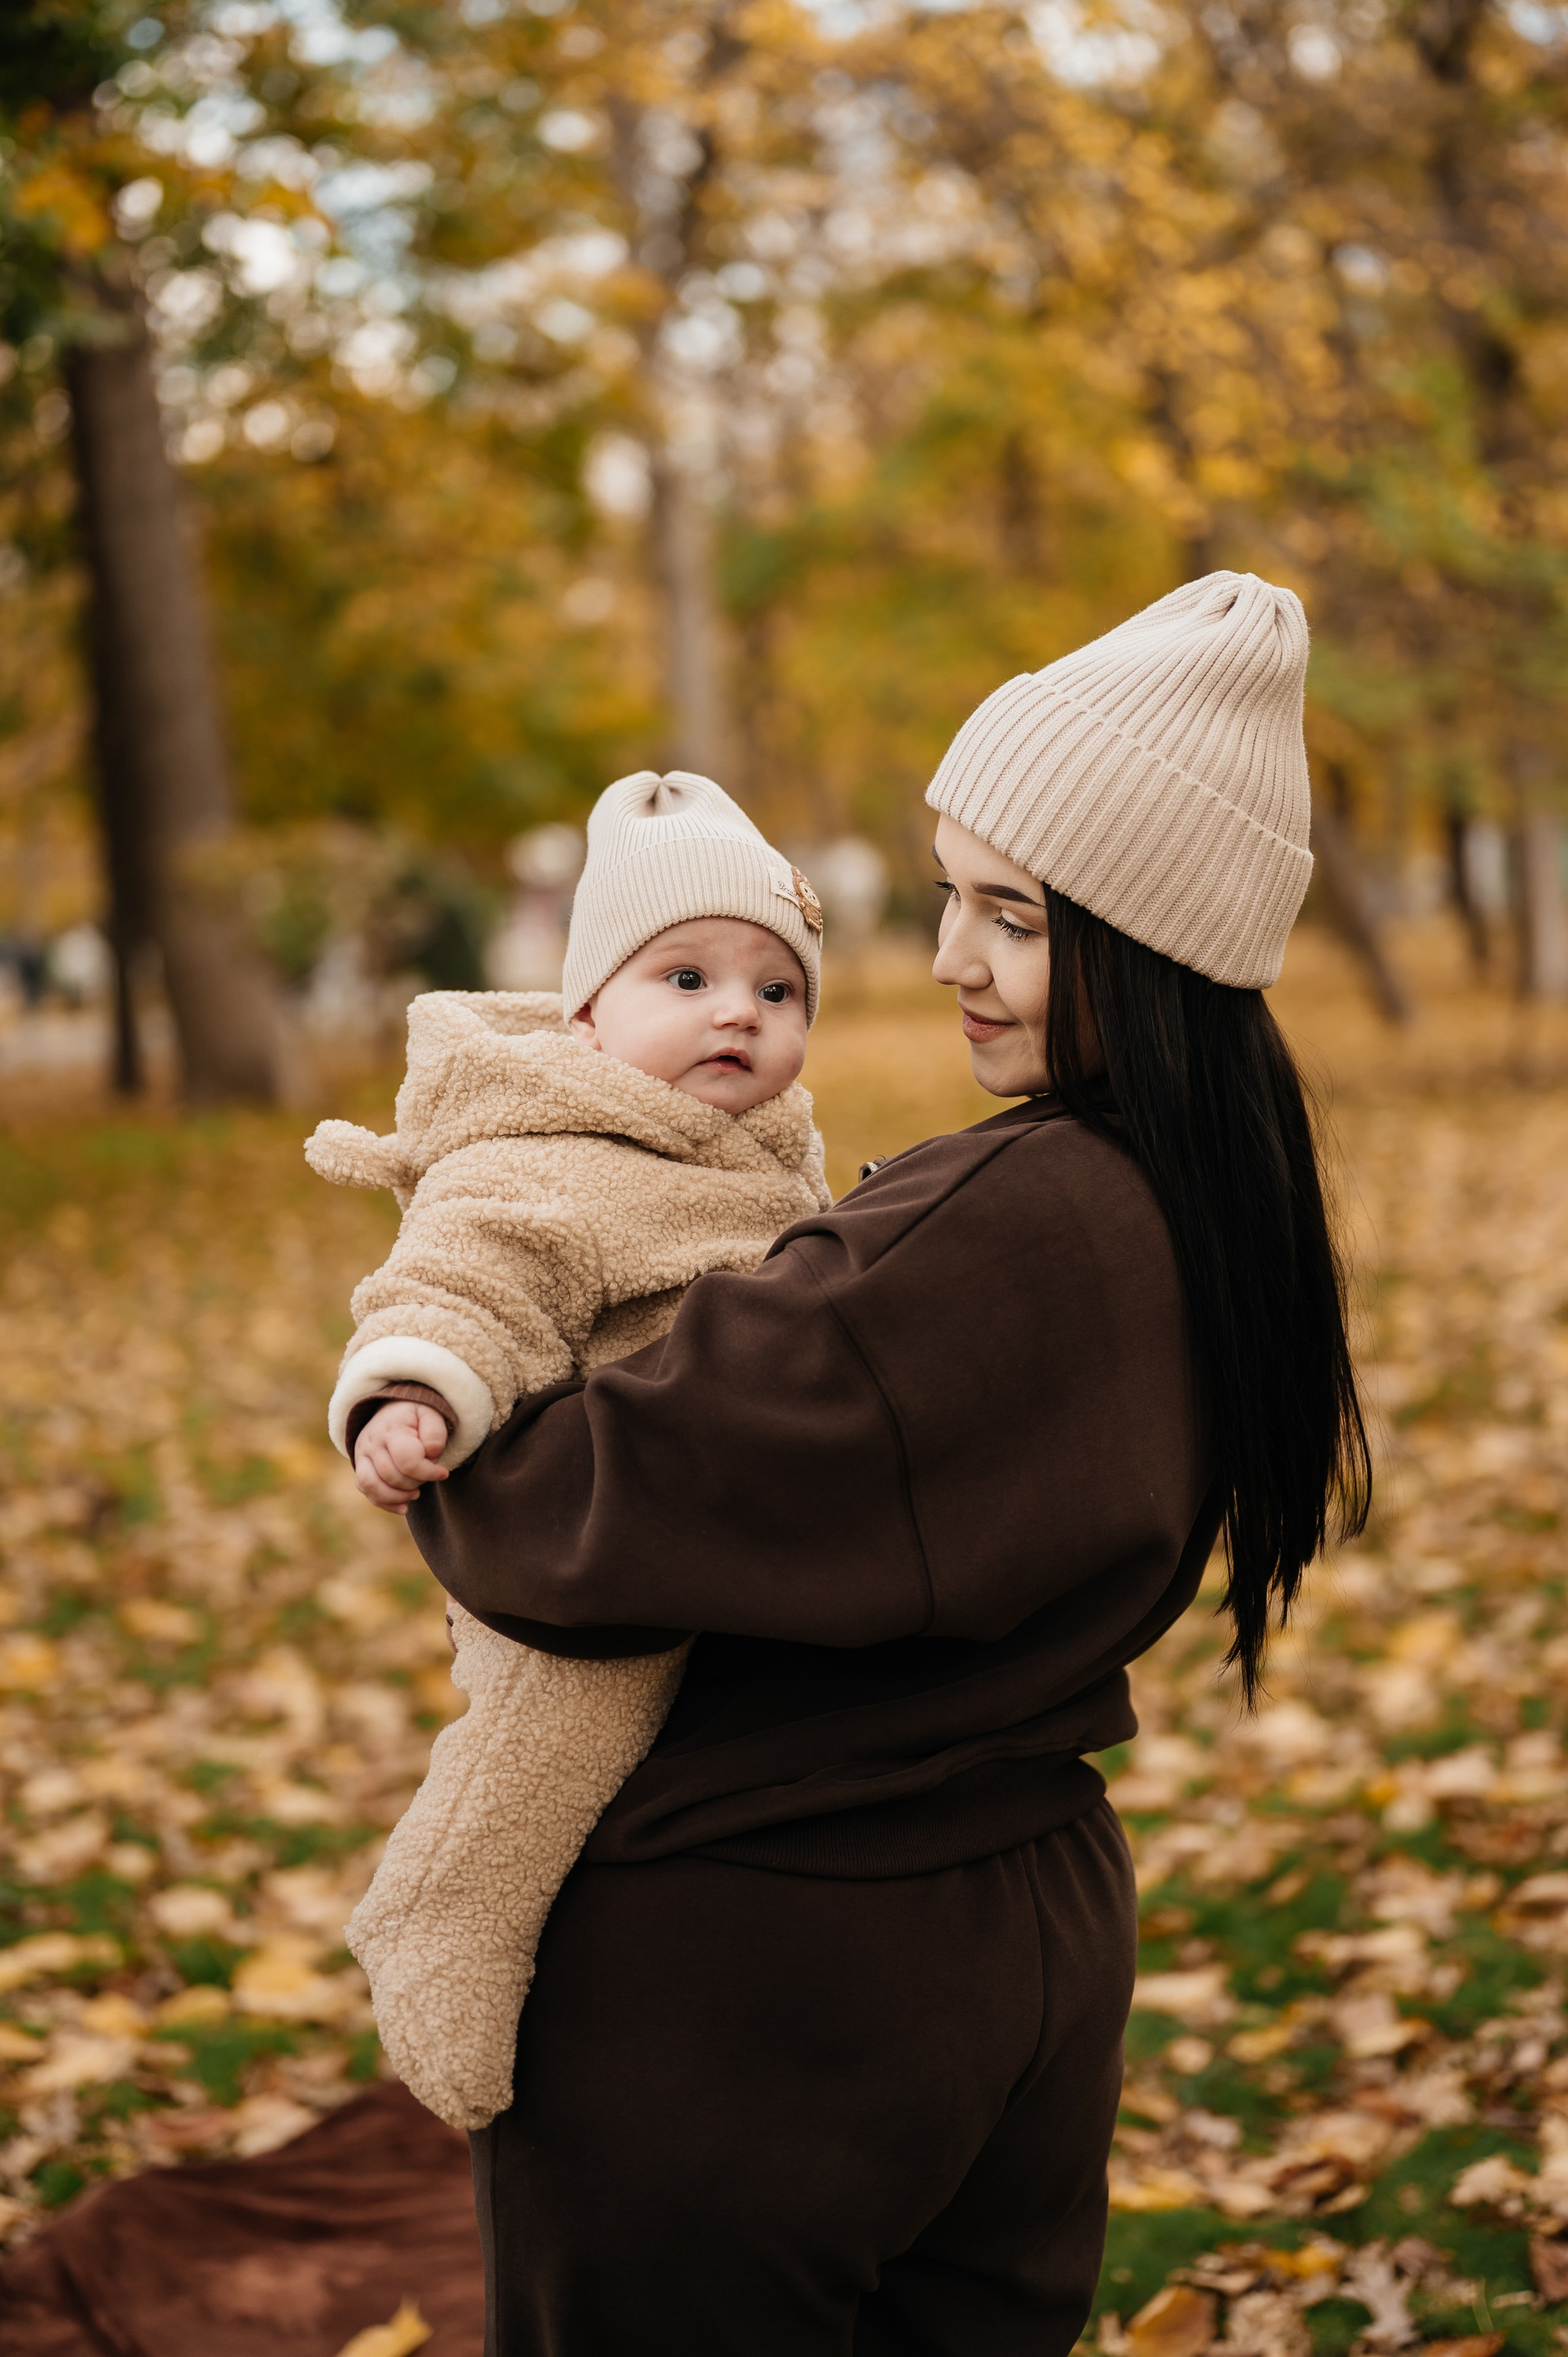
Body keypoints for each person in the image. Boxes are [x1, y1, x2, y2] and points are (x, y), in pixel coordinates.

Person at [351, 571, 1371, 2357]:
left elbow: (551, 1517)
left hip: (773, 1976)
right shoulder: (1223, 1209)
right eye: (947, 898)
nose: (955, 960)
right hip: (1030, 1928)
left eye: (1018, 918)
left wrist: (457, 1398)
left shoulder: (1004, 1223)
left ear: (1151, 937)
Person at [308, 769, 829, 2131]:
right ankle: (442, 1913)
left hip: (705, 1524)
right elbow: (462, 1283)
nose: (739, 1012)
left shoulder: (763, 1155)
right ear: (588, 1008)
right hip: (576, 1562)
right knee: (562, 1728)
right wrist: (412, 1395)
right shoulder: (540, 1153)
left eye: (779, 993)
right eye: (689, 977)